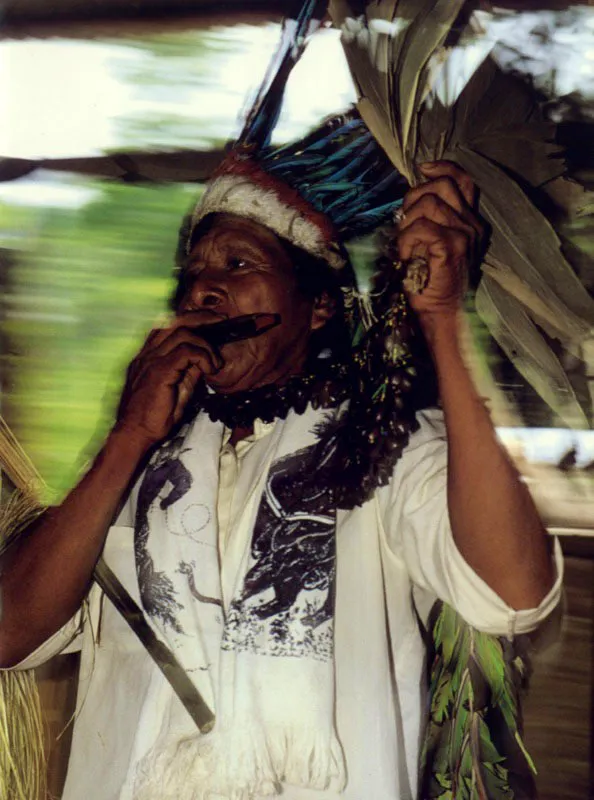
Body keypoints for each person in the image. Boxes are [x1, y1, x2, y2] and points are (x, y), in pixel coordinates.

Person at [0, 151, 562, 799]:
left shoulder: (382, 444)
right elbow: (12, 634)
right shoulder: (136, 463)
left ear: (318, 306)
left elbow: (515, 594)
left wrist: (440, 322)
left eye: (238, 265)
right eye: (193, 275)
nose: (203, 290)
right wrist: (126, 438)